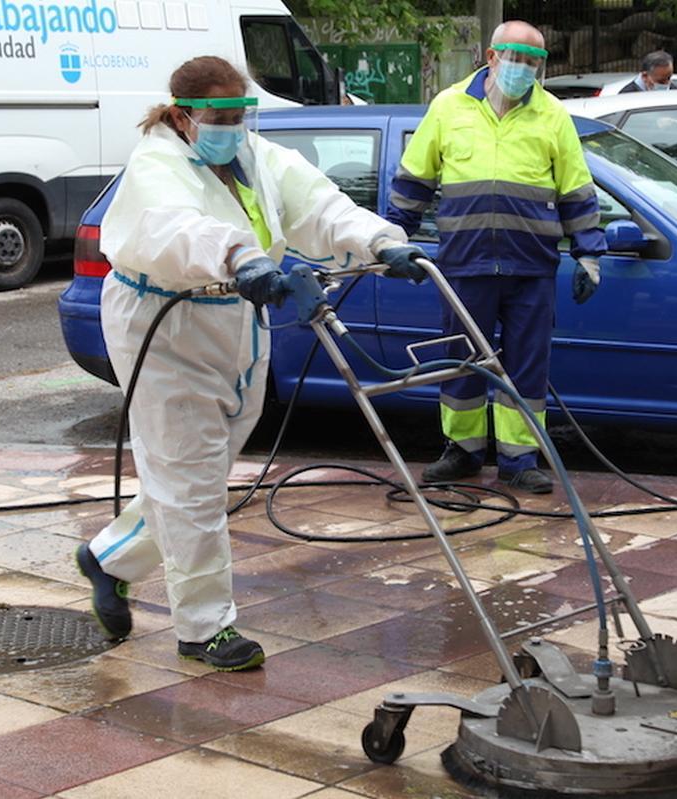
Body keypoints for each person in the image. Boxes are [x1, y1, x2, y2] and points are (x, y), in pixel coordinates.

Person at [74, 56, 425, 672]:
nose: (233, 127)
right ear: (184, 117)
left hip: (237, 314)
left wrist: (381, 241)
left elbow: (320, 205)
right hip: (165, 319)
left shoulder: (257, 158)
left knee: (200, 472)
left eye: (241, 115)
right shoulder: (157, 162)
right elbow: (177, 227)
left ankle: (111, 557)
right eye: (220, 117)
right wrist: (241, 257)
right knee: (188, 475)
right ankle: (204, 627)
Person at [389, 21, 607, 496]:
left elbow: (576, 191)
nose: (524, 69)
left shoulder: (552, 115)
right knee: (462, 360)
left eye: (534, 62)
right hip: (465, 264)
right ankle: (462, 453)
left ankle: (519, 459)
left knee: (528, 367)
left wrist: (589, 253)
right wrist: (391, 238)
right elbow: (414, 181)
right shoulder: (449, 106)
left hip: (531, 266)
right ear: (491, 56)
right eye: (517, 58)